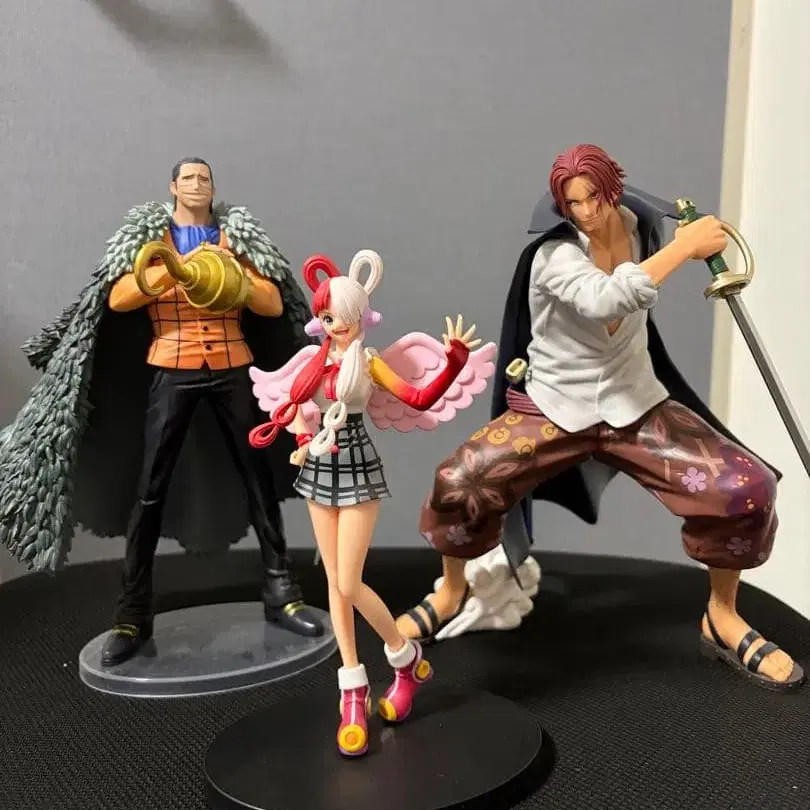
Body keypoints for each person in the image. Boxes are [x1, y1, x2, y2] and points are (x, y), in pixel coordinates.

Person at [411, 143, 804, 691]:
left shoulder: (644, 226)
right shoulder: (554, 256)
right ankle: (454, 591)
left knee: (746, 486)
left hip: (634, 405)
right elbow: (606, 299)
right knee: (460, 480)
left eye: (593, 197)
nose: (586, 212)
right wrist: (686, 248)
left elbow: (651, 267)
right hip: (556, 407)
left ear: (611, 189)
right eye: (572, 203)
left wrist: (695, 242)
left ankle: (722, 615)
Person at [0, 157, 324, 667]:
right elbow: (118, 296)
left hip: (232, 365)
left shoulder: (237, 239)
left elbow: (272, 303)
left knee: (258, 478)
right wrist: (173, 272)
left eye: (204, 178)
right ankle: (132, 612)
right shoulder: (150, 240)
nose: (197, 184)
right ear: (173, 186)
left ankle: (282, 591)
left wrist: (229, 277)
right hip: (172, 366)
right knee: (151, 488)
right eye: (188, 178)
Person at [248, 249, 495, 756]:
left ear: (360, 315)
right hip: (319, 467)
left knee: (348, 582)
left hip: (357, 466)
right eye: (325, 317)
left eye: (340, 316)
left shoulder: (370, 362)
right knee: (334, 588)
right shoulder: (315, 364)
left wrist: (453, 361)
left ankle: (405, 656)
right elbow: (300, 411)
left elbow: (419, 398)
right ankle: (353, 689)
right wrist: (302, 436)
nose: (333, 325)